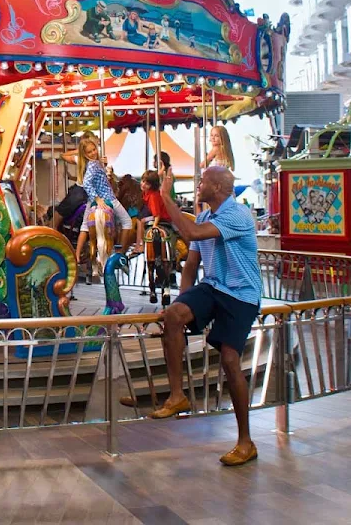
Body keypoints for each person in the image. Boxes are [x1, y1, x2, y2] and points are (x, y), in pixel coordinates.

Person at [125, 166, 261, 467]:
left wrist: (164, 197)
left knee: (229, 360)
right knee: (172, 316)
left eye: (202, 182)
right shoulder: (203, 216)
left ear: (217, 186)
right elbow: (190, 265)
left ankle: (245, 440)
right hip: (214, 287)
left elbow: (190, 234)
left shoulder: (236, 215)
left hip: (241, 293)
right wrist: (184, 303)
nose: (199, 186)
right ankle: (176, 395)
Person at [62, 135, 134, 277]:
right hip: (108, 198)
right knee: (127, 222)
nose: (93, 153)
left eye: (94, 149)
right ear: (85, 154)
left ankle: (76, 255)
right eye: (89, 152)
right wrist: (98, 198)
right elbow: (88, 183)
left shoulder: (91, 164)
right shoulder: (94, 165)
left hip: (92, 200)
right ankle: (120, 253)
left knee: (84, 226)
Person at [135, 169, 176, 303]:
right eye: (142, 181)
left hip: (160, 221)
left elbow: (157, 214)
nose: (143, 185)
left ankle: (140, 245)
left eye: (146, 183)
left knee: (142, 223)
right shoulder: (146, 194)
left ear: (152, 185)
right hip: (157, 219)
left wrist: (154, 227)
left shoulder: (152, 195)